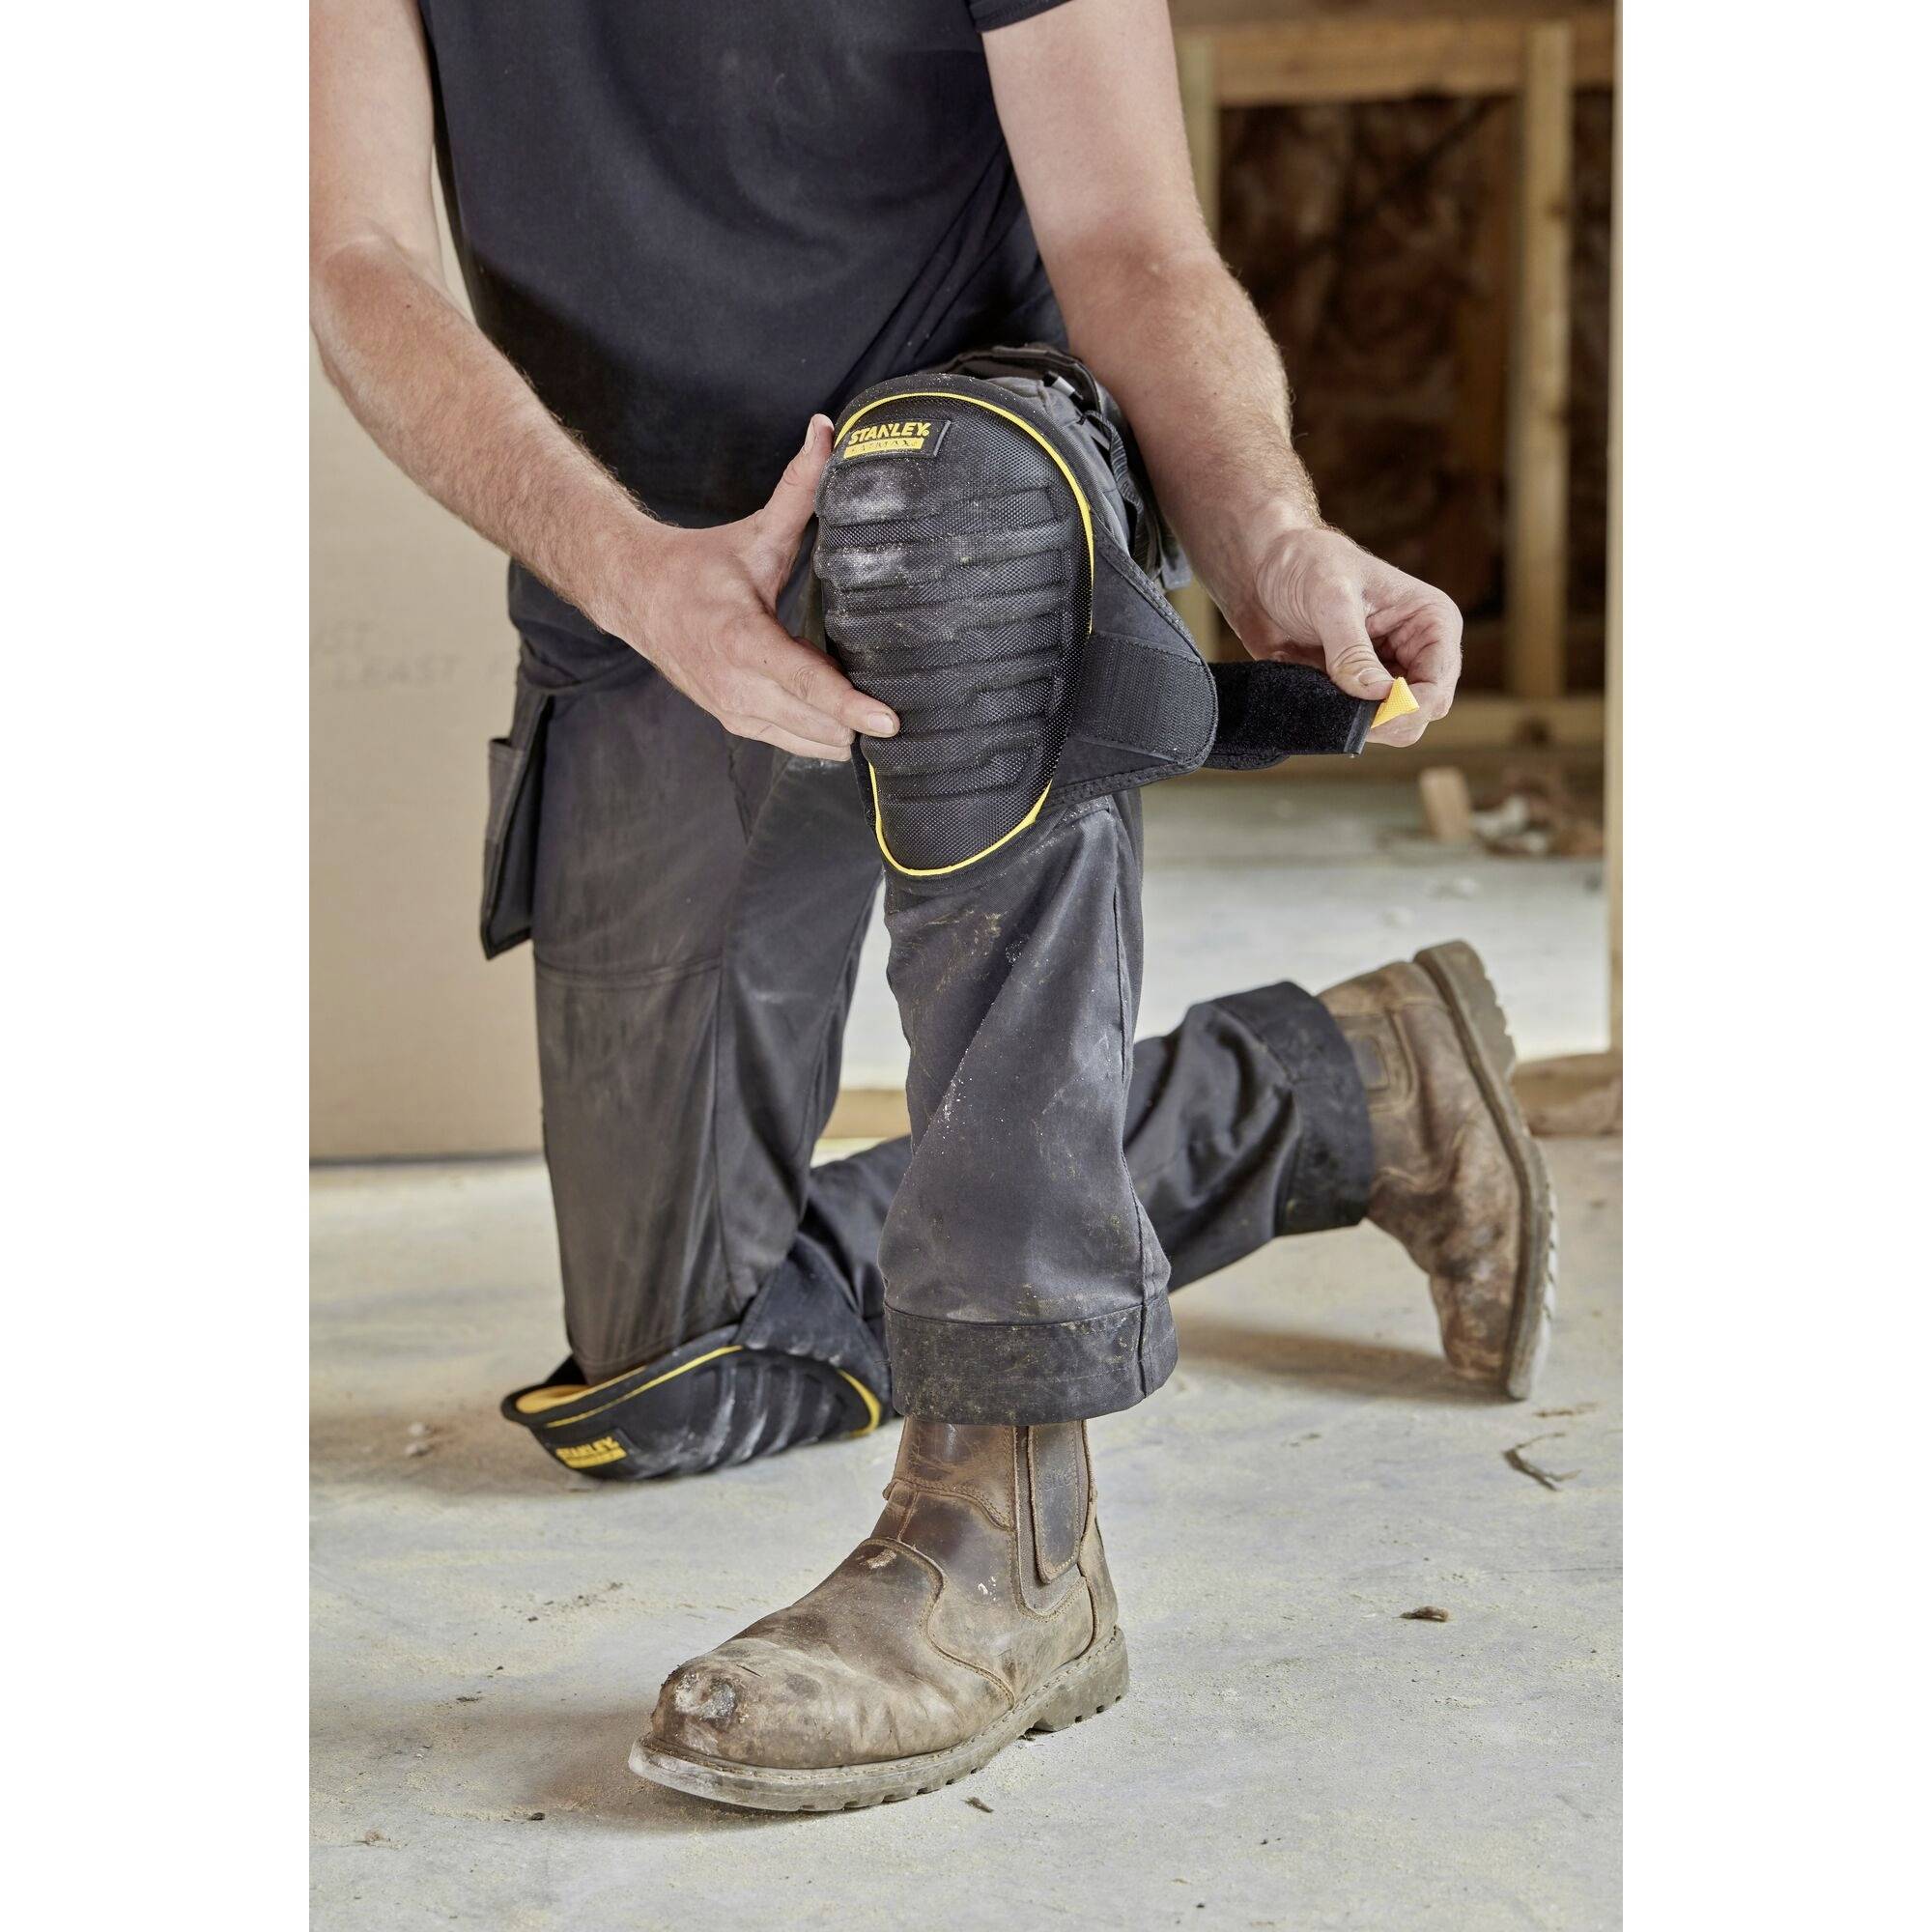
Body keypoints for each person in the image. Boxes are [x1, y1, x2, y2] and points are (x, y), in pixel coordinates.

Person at [311, 0, 1554, 1809]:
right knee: (673, 1375)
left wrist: (1267, 533)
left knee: (953, 506)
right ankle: (1338, 1085)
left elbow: (1128, 235)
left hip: (962, 487)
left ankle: (1009, 1528)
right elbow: (352, 253)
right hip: (648, 577)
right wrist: (640, 582)